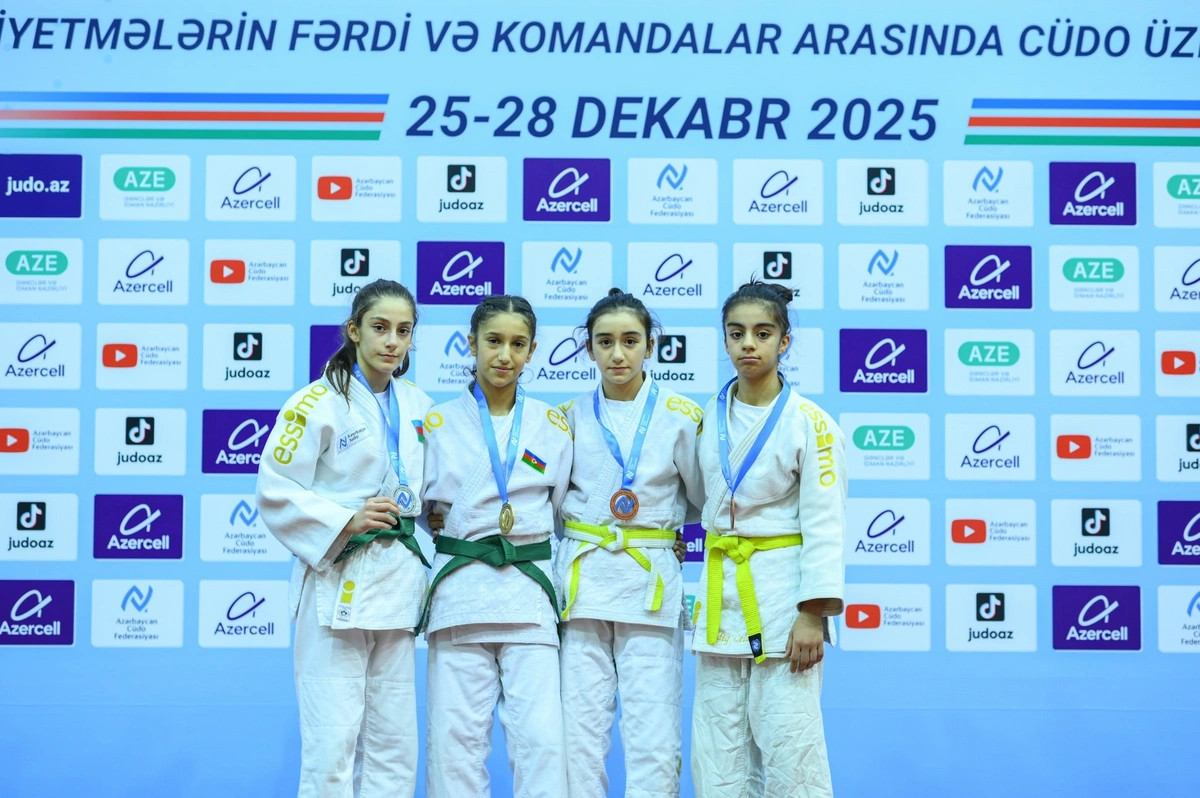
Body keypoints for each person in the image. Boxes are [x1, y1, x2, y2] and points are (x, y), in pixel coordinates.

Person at [256, 279, 434, 798]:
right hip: (337, 582)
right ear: (354, 330)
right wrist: (345, 520)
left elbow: (436, 493)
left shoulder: (420, 405)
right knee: (331, 745)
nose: (392, 342)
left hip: (398, 586)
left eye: (404, 331)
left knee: (393, 746)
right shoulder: (314, 402)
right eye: (380, 328)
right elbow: (275, 489)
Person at [691, 280, 847, 798]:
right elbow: (699, 499)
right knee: (718, 753)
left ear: (784, 341)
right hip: (721, 598)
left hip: (783, 605)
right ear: (725, 340)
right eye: (736, 333)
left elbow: (826, 523)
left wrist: (813, 613)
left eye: (762, 333)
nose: (748, 344)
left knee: (790, 748)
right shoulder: (707, 417)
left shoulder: (812, 424)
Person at [420, 295, 573, 798]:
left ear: (532, 351)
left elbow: (560, 509)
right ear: (471, 344)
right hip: (461, 595)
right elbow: (421, 505)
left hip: (527, 595)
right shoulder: (437, 422)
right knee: (455, 743)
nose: (505, 355)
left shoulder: (552, 424)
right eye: (493, 341)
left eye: (517, 344)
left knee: (542, 742)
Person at [555, 288, 703, 798]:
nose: (618, 354)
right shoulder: (567, 417)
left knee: (654, 736)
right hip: (583, 584)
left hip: (649, 584)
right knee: (578, 735)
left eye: (630, 341)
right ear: (589, 348)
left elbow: (703, 501)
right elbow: (548, 502)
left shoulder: (682, 416)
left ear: (650, 345)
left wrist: (670, 538)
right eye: (605, 342)